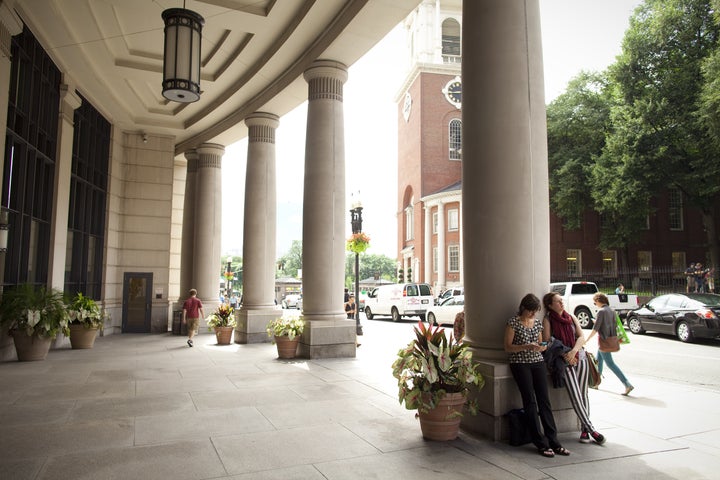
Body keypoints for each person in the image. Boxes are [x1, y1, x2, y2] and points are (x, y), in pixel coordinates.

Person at [504, 293, 569, 458]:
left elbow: (543, 342)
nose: (533, 314)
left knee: (544, 401)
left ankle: (554, 441)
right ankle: (540, 442)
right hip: (520, 363)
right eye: (531, 311)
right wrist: (526, 346)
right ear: (523, 308)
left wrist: (542, 347)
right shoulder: (513, 322)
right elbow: (507, 347)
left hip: (537, 362)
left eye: (535, 311)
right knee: (530, 401)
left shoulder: (538, 323)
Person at [542, 292, 606, 445]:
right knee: (575, 395)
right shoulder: (548, 319)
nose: (561, 303)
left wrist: (574, 351)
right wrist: (566, 353)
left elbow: (581, 337)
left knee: (583, 394)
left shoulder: (571, 317)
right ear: (550, 305)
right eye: (558, 302)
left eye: (561, 300)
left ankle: (584, 429)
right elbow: (548, 340)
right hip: (564, 361)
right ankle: (592, 429)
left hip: (579, 357)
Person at [585, 293, 634, 396]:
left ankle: (627, 384)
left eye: (595, 302)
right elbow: (615, 325)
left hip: (604, 341)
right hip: (611, 339)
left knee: (610, 364)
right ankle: (596, 382)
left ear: (599, 301)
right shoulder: (612, 310)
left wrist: (587, 339)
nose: (595, 304)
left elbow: (596, 329)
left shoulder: (601, 312)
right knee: (599, 361)